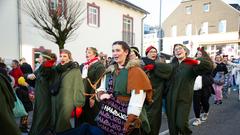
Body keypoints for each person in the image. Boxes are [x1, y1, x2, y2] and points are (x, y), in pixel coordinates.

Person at [96, 41, 153, 135]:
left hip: (127, 117)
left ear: (126, 52)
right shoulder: (110, 70)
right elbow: (101, 88)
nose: (114, 53)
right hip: (108, 115)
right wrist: (101, 95)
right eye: (113, 51)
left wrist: (129, 121)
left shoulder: (135, 71)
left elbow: (137, 99)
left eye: (118, 50)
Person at [157, 44, 213, 135]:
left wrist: (196, 62)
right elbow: (159, 71)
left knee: (181, 124)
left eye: (180, 48)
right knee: (172, 125)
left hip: (184, 99)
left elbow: (209, 66)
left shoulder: (191, 64)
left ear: (185, 51)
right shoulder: (172, 65)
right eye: (176, 50)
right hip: (170, 98)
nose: (178, 50)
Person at [51, 49, 85, 132]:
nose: (62, 58)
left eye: (65, 56)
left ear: (69, 58)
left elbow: (78, 87)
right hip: (55, 99)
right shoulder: (56, 69)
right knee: (54, 123)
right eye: (61, 56)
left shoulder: (75, 70)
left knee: (63, 124)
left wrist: (79, 104)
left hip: (67, 100)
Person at [141, 45, 172, 135]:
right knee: (144, 117)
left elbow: (169, 70)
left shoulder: (160, 63)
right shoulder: (141, 63)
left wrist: (154, 66)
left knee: (155, 119)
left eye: (155, 52)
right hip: (144, 94)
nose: (153, 53)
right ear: (147, 54)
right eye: (151, 52)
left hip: (157, 95)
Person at [29, 52, 57, 135]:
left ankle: (40, 132)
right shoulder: (41, 67)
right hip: (39, 95)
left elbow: (53, 85)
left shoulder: (52, 69)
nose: (38, 58)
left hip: (45, 96)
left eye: (40, 57)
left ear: (45, 58)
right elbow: (33, 76)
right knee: (38, 114)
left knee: (43, 115)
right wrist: (29, 77)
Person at [78, 47, 105, 126]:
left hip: (92, 96)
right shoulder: (84, 65)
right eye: (86, 52)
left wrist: (93, 97)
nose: (87, 54)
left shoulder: (99, 66)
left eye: (89, 52)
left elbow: (98, 82)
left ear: (95, 54)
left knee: (92, 118)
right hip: (84, 95)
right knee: (84, 118)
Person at [192, 47, 214, 126]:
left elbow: (210, 73)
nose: (198, 55)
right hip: (195, 86)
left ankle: (206, 112)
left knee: (205, 102)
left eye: (200, 54)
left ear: (204, 55)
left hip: (205, 86)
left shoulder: (208, 64)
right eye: (197, 54)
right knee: (196, 103)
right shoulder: (194, 63)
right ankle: (197, 119)